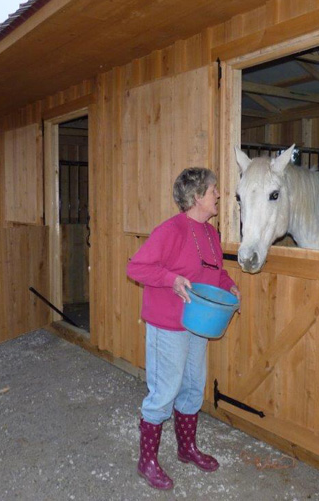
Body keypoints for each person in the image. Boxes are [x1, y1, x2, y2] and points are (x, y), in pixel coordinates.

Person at [126, 167, 240, 490]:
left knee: (193, 386)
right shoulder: (170, 231)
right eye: (213, 190)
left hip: (198, 322)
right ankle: (147, 460)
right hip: (168, 324)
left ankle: (186, 448)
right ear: (196, 197)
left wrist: (229, 286)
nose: (218, 194)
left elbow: (214, 274)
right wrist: (170, 280)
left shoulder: (211, 234)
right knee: (165, 389)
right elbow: (135, 266)